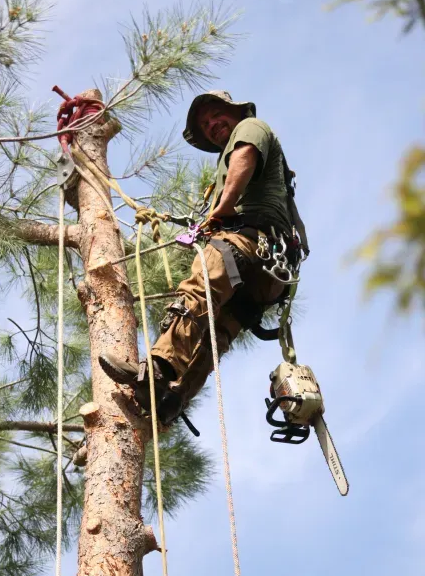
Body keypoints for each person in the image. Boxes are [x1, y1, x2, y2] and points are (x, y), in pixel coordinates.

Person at [99, 90, 306, 428]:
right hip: (271, 274)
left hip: (250, 241)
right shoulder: (238, 151)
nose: (212, 125)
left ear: (235, 112)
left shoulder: (251, 127)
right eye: (206, 124)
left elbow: (245, 158)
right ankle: (172, 399)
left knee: (201, 289)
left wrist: (223, 209)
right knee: (217, 332)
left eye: (216, 115)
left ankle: (156, 371)